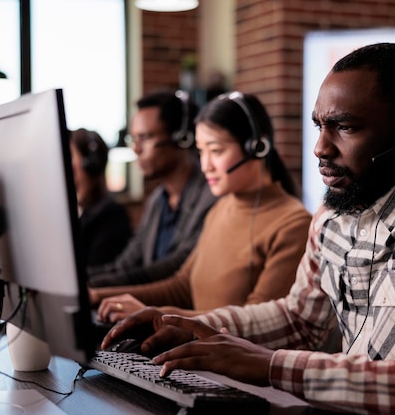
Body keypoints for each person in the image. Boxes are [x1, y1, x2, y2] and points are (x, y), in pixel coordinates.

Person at [101, 43, 395, 414]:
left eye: (345, 126)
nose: (320, 148)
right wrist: (195, 326)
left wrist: (269, 366)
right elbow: (299, 318)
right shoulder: (334, 212)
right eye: (319, 126)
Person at [93, 92, 312, 320]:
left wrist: (159, 316)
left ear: (257, 147)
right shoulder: (220, 208)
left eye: (216, 151)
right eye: (201, 151)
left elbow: (256, 322)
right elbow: (181, 286)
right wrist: (99, 295)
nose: (205, 165)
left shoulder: (293, 225)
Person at [87, 90, 217, 287]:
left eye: (145, 138)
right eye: (134, 139)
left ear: (181, 138)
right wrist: (77, 280)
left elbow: (175, 267)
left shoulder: (210, 195)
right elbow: (124, 265)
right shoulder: (157, 201)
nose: (136, 149)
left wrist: (95, 289)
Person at [69, 128, 133, 267]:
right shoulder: (76, 212)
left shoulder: (110, 215)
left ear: (91, 166)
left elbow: (94, 269)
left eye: (71, 158)